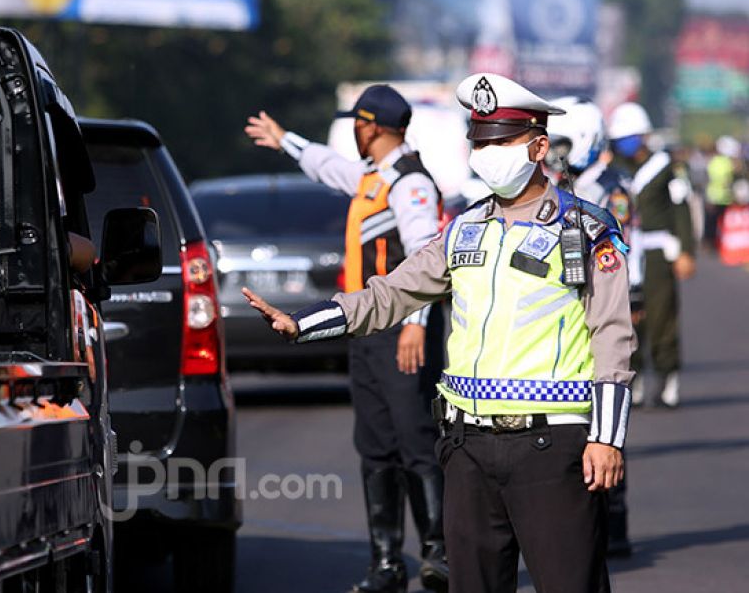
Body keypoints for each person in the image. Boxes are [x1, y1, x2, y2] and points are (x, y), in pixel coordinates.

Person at [244, 73, 633, 593]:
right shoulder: (464, 229)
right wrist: (304, 323)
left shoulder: (586, 230)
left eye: (501, 142)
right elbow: (391, 294)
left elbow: (612, 334)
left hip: (552, 445)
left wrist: (606, 438)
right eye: (480, 142)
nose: (486, 153)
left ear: (539, 146)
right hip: (468, 445)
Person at [245, 85, 447, 593]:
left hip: (402, 329)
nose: (354, 133)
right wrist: (284, 140)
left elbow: (426, 259)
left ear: (372, 125)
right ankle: (386, 563)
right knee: (376, 446)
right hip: (366, 330)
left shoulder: (410, 183)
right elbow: (326, 165)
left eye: (357, 124)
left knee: (416, 441)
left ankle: (438, 554)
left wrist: (416, 327)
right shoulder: (371, 177)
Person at [547, 97, 636, 557]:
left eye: (560, 143)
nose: (552, 154)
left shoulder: (607, 188)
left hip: (607, 299)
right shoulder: (562, 186)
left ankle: (614, 521)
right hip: (566, 308)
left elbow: (620, 253)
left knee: (608, 417)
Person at [607, 101, 695, 408]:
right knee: (629, 319)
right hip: (624, 250)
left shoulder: (666, 167)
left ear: (644, 135)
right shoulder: (613, 168)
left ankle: (668, 377)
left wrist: (686, 250)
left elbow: (682, 210)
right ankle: (637, 378)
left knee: (661, 315)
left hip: (658, 252)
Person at [706, 136, 741, 250]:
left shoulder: (716, 161)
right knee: (713, 222)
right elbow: (723, 179)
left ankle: (717, 243)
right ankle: (712, 243)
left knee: (719, 223)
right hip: (717, 197)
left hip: (722, 197)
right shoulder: (723, 162)